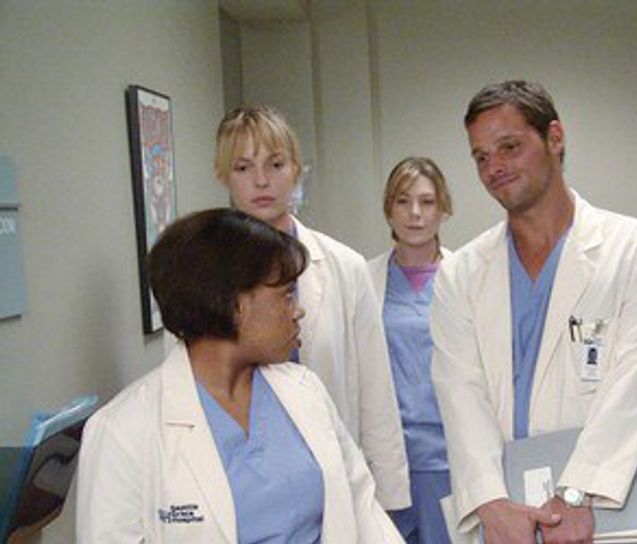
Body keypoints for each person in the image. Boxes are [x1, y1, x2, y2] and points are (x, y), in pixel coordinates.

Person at [431, 80, 637, 544]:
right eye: (481, 157)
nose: (494, 167)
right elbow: (460, 394)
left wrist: (578, 494)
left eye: (509, 147)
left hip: (606, 512)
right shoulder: (459, 274)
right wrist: (490, 503)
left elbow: (634, 385)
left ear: (555, 138)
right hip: (506, 519)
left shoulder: (636, 250)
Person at [76, 208, 404, 543]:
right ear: (234, 305)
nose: (298, 310)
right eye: (286, 294)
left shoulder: (305, 391)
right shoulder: (122, 432)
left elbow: (364, 512)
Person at [213, 106, 410, 511]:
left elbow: (376, 393)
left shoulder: (345, 267)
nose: (261, 180)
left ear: (296, 170)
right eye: (243, 167)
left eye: (275, 164)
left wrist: (388, 500)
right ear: (223, 176)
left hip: (330, 476)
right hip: (238, 483)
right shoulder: (202, 273)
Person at [368, 157, 454, 543]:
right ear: (389, 209)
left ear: (444, 209)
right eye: (403, 201)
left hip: (447, 458)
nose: (414, 213)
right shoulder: (364, 279)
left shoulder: (467, 277)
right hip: (388, 457)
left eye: (427, 202)